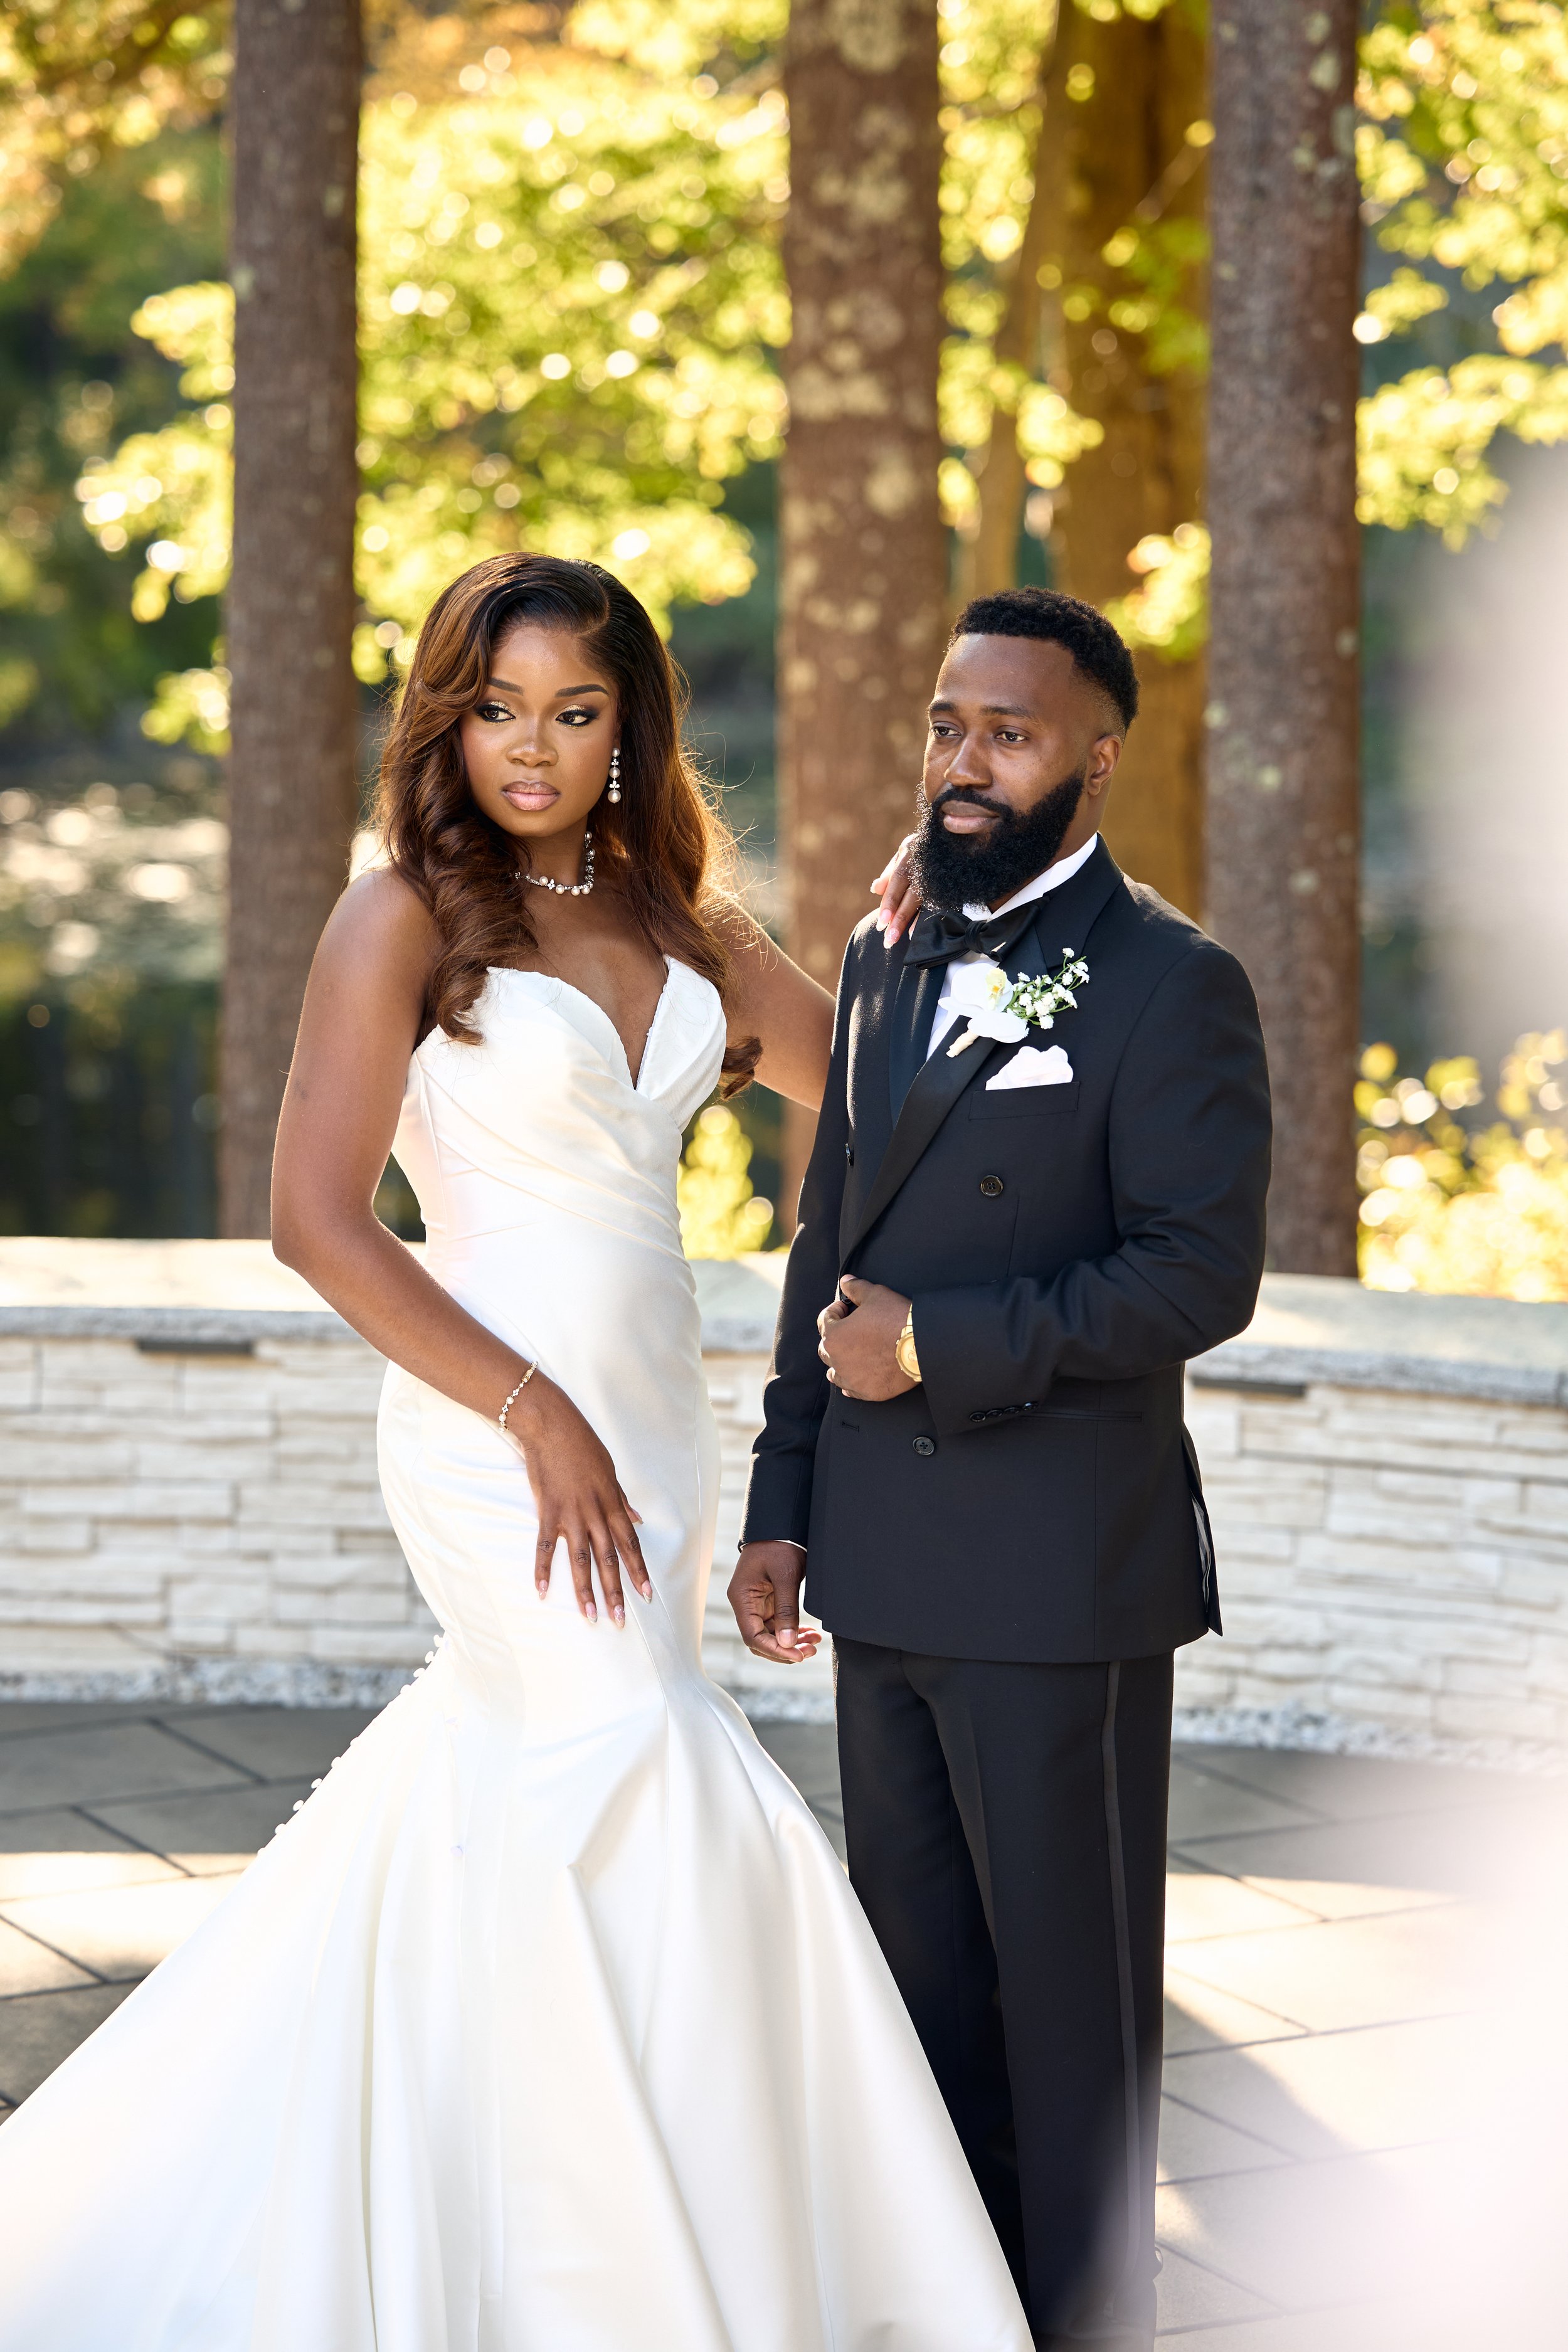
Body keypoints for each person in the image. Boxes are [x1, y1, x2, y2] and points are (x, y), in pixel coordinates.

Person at [0, 554, 1030, 2352]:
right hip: (496, 1431)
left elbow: (890, 1080)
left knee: (537, 1781)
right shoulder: (399, 915)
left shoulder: (689, 925)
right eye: (495, 711)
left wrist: (925, 914)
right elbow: (316, 1223)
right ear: (447, 719)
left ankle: (536, 2210)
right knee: (624, 1750)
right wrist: (531, 1409)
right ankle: (610, 2281)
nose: (531, 749)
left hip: (653, 1419)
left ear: (629, 728)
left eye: (573, 711)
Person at [731, 587, 1272, 2352]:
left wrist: (943, 1347)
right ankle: (949, 2313)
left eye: (1011, 735)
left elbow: (1198, 1276)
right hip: (883, 1558)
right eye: (948, 726)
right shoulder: (885, 947)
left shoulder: (1174, 983)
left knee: (1065, 2006)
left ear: (1093, 759)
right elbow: (829, 1240)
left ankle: (1089, 2324)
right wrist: (782, 1503)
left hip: (1056, 1576)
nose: (965, 762)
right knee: (920, 1993)